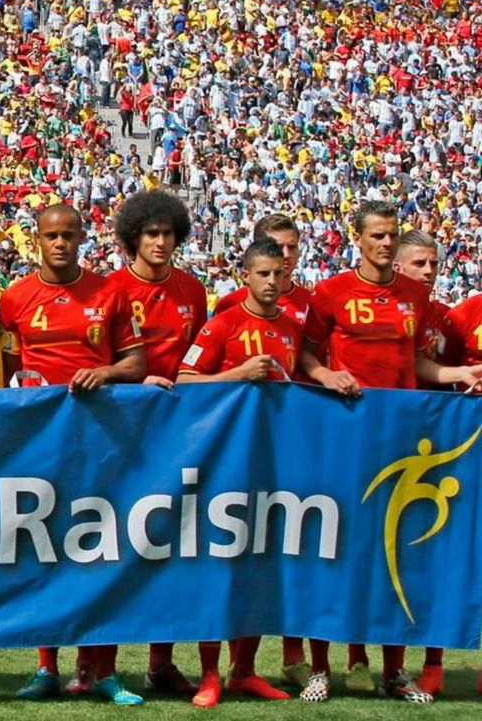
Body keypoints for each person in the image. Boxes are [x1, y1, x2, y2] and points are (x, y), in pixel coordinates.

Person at [296, 202, 482, 704]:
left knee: (394, 550)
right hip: (346, 436)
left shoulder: (414, 297)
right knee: (332, 550)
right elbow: (304, 353)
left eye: (390, 234)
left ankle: (395, 671)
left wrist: (458, 375)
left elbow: (420, 364)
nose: (384, 242)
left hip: (399, 438)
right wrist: (325, 375)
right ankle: (320, 667)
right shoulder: (330, 292)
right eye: (377, 235)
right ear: (356, 238)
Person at [0, 203, 146, 707]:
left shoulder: (110, 293)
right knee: (46, 550)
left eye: (69, 235)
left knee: (104, 550)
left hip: (101, 439)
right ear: (36, 239)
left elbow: (136, 360)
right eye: (51, 235)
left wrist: (104, 373)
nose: (60, 243)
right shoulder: (15, 298)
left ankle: (103, 669)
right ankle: (45, 668)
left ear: (83, 237)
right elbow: (8, 370)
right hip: (41, 443)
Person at [176, 236, 311, 706]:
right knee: (218, 567)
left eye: (279, 274)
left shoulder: (294, 329)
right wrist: (238, 374)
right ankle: (210, 674)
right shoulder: (224, 324)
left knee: (260, 566)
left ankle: (244, 671)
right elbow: (185, 381)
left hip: (274, 466)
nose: (273, 282)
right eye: (263, 274)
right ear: (245, 276)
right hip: (225, 465)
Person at [106, 190, 207, 701]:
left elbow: (198, 364)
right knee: (105, 543)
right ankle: (93, 665)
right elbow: (105, 359)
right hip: (124, 431)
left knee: (170, 546)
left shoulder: (193, 289)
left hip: (180, 432)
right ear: (133, 239)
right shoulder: (112, 290)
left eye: (168, 233)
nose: (161, 242)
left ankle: (160, 664)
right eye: (151, 234)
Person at [389, 229, 460, 697]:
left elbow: (445, 376)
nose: (429, 272)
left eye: (433, 264)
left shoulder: (448, 318)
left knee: (430, 551)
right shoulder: (380, 308)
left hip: (430, 450)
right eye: (419, 264)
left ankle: (433, 660)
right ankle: (356, 659)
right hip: (381, 438)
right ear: (398, 267)